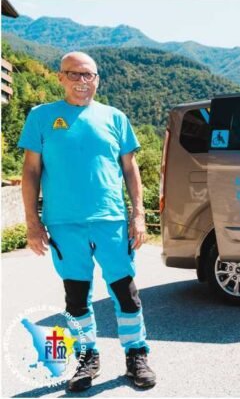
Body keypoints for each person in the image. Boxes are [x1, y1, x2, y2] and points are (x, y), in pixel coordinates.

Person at [18, 52, 155, 392]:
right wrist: (32, 222)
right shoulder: (41, 117)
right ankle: (86, 358)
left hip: (111, 219)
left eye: (88, 75)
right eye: (74, 74)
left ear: (98, 80)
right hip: (63, 223)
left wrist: (138, 214)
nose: (82, 81)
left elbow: (130, 169)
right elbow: (31, 171)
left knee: (125, 292)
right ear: (60, 77)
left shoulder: (115, 117)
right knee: (77, 296)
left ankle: (136, 355)